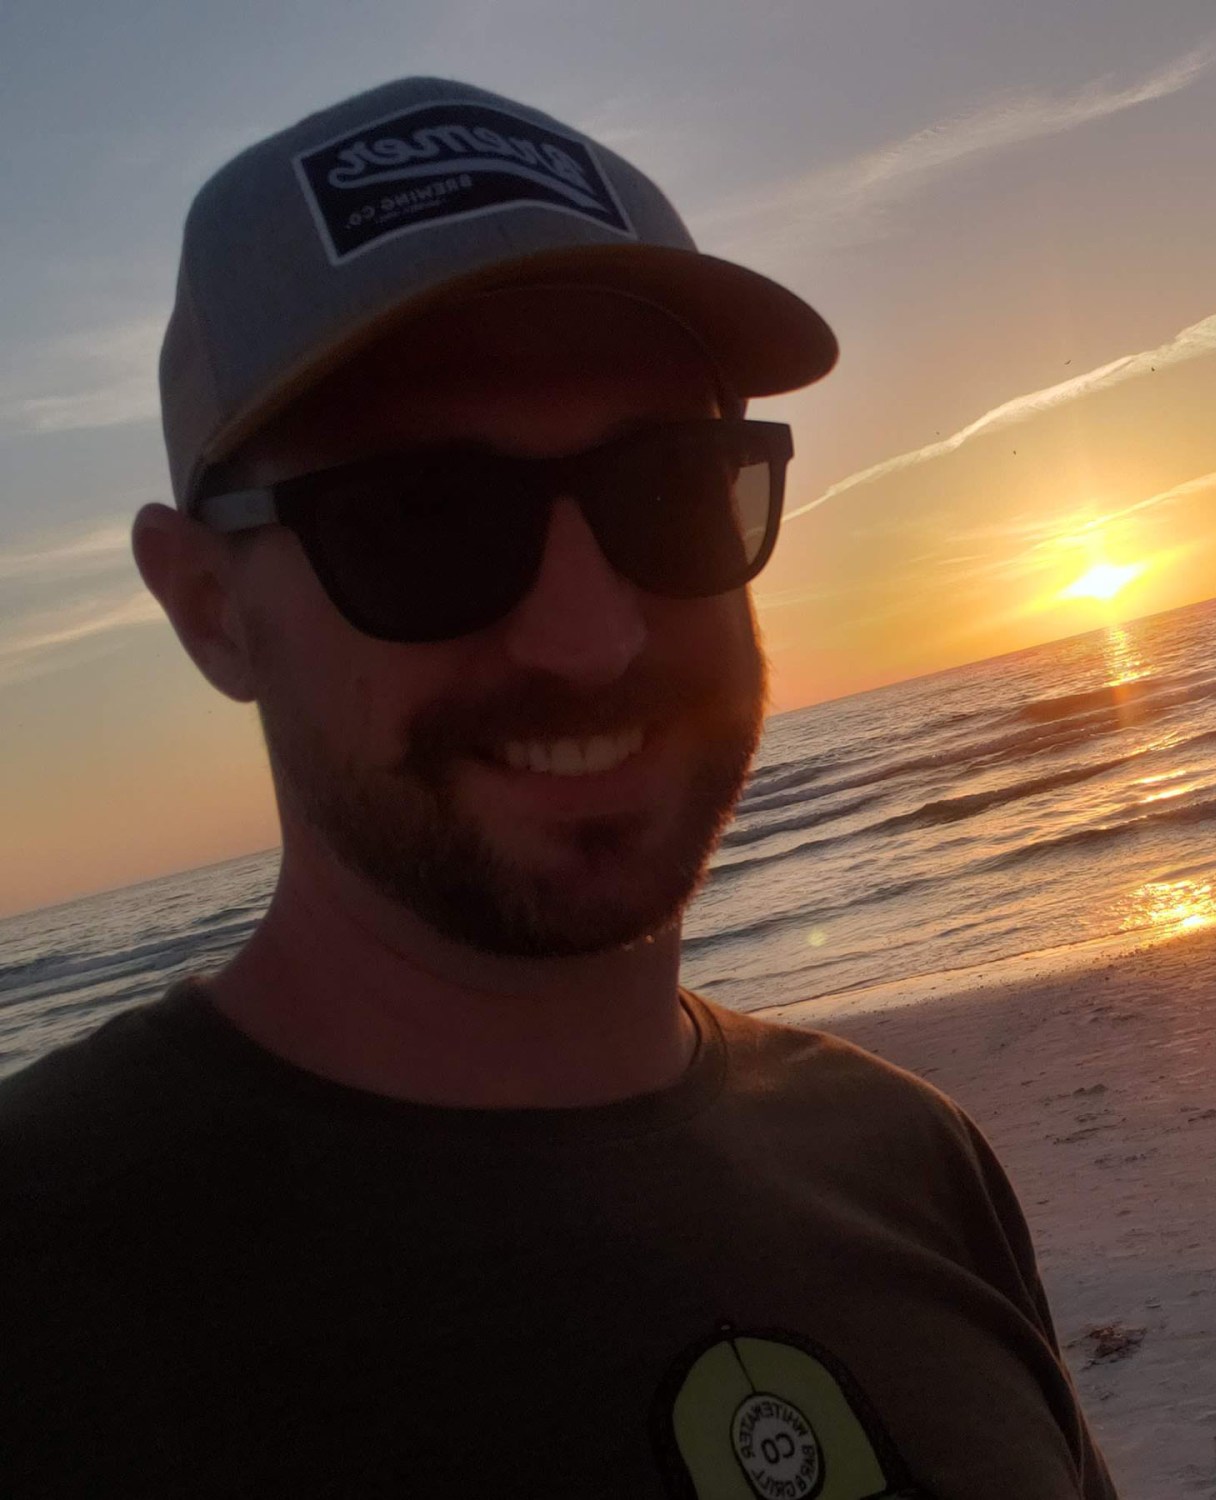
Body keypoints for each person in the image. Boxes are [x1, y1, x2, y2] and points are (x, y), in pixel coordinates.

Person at [0, 77, 1116, 1499]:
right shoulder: (42, 1290)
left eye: (668, 486)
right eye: (423, 523)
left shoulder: (908, 1163)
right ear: (212, 608)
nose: (591, 638)